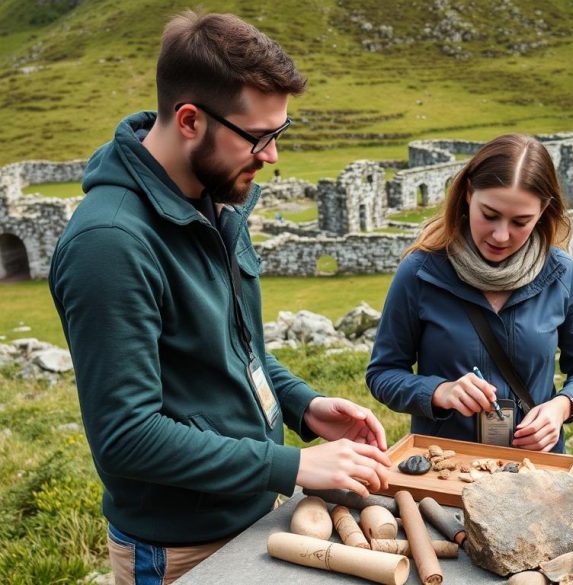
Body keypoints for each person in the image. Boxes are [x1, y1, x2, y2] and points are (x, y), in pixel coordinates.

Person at [49, 11, 391, 584]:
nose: (272, 156)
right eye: (258, 137)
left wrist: (303, 406)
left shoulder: (215, 198)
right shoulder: (109, 244)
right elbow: (126, 436)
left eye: (278, 134)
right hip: (179, 551)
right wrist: (295, 464)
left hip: (255, 516)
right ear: (189, 119)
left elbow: (235, 348)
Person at [367, 134, 573, 453]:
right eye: (489, 214)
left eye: (521, 221)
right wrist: (440, 392)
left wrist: (562, 406)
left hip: (535, 468)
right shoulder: (419, 271)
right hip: (444, 468)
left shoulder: (562, 273)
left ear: (544, 211)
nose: (501, 235)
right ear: (468, 194)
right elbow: (382, 374)